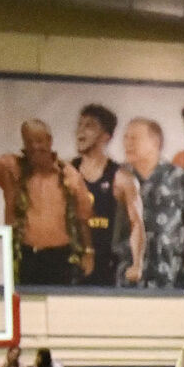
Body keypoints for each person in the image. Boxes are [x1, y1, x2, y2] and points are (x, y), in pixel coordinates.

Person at [0, 113, 93, 285]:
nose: (34, 146)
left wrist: (88, 252)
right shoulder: (12, 168)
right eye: (28, 141)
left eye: (39, 140)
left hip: (62, 257)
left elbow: (83, 217)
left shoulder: (70, 174)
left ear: (49, 140)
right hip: (25, 256)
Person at [119, 115, 184, 288]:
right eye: (126, 137)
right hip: (127, 278)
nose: (127, 143)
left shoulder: (180, 178)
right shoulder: (118, 177)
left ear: (155, 142)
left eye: (134, 138)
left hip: (170, 277)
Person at [70, 103, 138, 290]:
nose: (80, 131)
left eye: (89, 125)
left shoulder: (120, 176)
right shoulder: (67, 171)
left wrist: (136, 264)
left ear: (106, 136)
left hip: (108, 268)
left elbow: (136, 225)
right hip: (71, 264)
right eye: (80, 124)